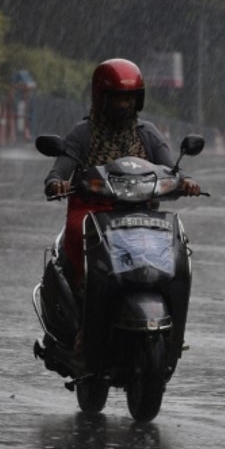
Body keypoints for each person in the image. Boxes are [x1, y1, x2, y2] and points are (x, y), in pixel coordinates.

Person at [44, 58, 200, 287]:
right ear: (102, 97)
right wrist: (57, 182)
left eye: (129, 97)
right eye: (117, 97)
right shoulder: (82, 134)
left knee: (174, 251)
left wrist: (185, 181)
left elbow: (171, 170)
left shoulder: (148, 133)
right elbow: (59, 171)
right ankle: (80, 289)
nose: (124, 104)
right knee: (78, 233)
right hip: (91, 213)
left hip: (141, 212)